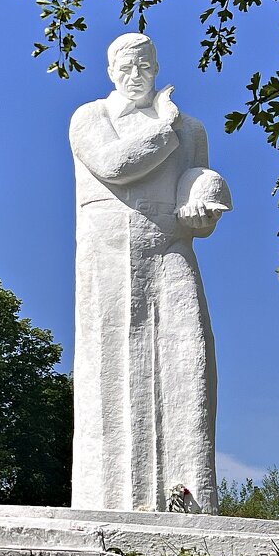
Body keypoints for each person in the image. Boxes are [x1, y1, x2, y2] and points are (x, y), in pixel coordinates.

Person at [69, 33, 230, 514]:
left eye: (144, 66)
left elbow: (195, 189)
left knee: (188, 356)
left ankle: (190, 499)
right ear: (110, 71)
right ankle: (107, 500)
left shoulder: (192, 130)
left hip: (169, 251)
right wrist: (164, 126)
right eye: (126, 67)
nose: (135, 75)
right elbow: (115, 165)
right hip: (108, 258)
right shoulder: (90, 117)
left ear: (156, 69)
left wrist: (203, 203)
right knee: (109, 370)